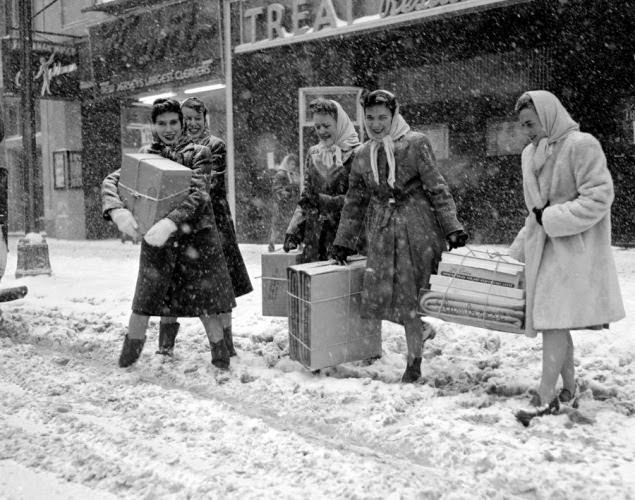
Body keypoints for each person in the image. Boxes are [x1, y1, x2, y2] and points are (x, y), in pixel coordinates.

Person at [331, 90, 468, 383]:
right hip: (382, 232)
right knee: (387, 296)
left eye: (383, 117)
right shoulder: (362, 154)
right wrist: (343, 240)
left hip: (416, 229)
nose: (376, 124)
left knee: (409, 296)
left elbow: (437, 187)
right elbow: (354, 202)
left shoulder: (415, 143)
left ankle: (414, 361)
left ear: (394, 115)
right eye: (370, 118)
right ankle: (420, 329)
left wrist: (452, 226)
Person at [509, 90, 625, 425]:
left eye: (531, 123)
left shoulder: (581, 145)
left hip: (575, 252)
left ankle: (546, 397)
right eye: (523, 126)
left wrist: (556, 218)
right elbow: (536, 214)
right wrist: (517, 250)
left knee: (551, 320)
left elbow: (601, 195)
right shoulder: (530, 154)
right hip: (545, 252)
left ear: (547, 116)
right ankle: (569, 388)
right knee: (554, 321)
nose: (527, 131)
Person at [102, 98, 236, 369]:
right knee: (144, 302)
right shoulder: (145, 153)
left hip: (195, 239)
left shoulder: (200, 153)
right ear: (154, 125)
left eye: (173, 122)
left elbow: (199, 194)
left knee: (206, 304)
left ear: (181, 122)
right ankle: (128, 360)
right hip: (156, 242)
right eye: (162, 123)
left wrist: (170, 223)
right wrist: (117, 210)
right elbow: (113, 180)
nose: (168, 128)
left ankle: (221, 360)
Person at [179, 96, 252, 357]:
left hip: (215, 222)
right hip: (189, 224)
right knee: (199, 286)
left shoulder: (215, 146)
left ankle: (227, 344)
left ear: (205, 119)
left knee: (223, 285)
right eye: (187, 119)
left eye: (197, 118)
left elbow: (209, 184)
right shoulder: (176, 146)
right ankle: (213, 342)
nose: (193, 124)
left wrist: (183, 187)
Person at [283, 98, 363, 262]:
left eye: (326, 126)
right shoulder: (313, 153)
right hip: (316, 236)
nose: (321, 131)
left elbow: (359, 201)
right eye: (317, 126)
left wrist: (325, 201)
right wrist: (294, 231)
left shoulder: (358, 153)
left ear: (339, 123)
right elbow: (307, 197)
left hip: (346, 238)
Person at [268, 153, 300, 252]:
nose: (293, 167)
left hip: (288, 205)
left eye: (294, 165)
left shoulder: (290, 175)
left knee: (288, 225)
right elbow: (276, 189)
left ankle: (286, 244)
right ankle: (272, 244)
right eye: (291, 164)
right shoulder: (281, 174)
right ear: (287, 163)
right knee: (278, 225)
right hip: (281, 205)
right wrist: (286, 193)